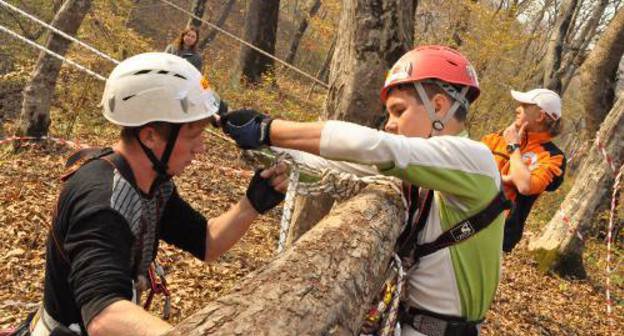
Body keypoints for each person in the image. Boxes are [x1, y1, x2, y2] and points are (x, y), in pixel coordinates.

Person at [221, 45, 508, 336]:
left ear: (438, 106)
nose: (390, 125)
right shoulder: (425, 173)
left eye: (399, 111)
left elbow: (375, 146)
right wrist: (260, 144)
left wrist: (268, 129)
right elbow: (335, 164)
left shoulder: (477, 161)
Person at [25, 52, 288, 336]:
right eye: (192, 135)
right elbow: (104, 315)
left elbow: (206, 241)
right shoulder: (103, 201)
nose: (200, 148)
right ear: (149, 136)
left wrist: (251, 205)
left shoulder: (153, 183)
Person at [481, 89, 566, 252]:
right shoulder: (496, 138)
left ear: (540, 116)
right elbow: (468, 170)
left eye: (524, 105)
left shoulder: (552, 156)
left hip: (499, 234)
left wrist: (514, 147)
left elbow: (525, 186)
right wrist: (507, 179)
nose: (517, 108)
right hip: (462, 216)